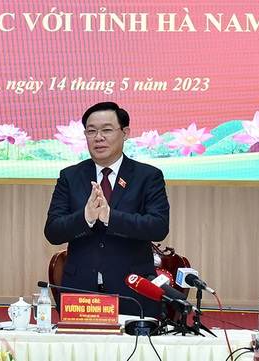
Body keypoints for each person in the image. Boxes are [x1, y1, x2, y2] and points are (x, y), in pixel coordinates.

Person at [44, 102, 170, 318]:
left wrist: (111, 217)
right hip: (81, 292)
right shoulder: (70, 176)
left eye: (107, 130)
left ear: (125, 133)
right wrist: (86, 217)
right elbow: (53, 231)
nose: (98, 137)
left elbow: (158, 227)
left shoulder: (147, 176)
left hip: (133, 291)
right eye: (91, 131)